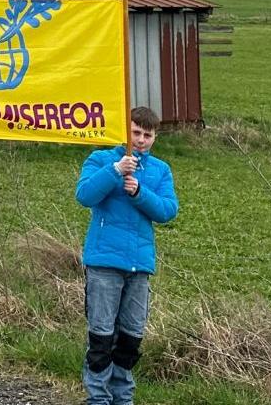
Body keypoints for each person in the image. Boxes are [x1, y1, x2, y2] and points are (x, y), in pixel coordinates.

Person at [75, 106, 179, 405]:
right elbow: (84, 195)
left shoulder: (160, 170)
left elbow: (167, 210)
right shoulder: (101, 159)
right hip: (104, 261)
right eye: (136, 133)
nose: (141, 140)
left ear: (155, 137)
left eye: (147, 135)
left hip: (139, 264)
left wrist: (139, 193)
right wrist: (116, 171)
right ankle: (98, 398)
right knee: (102, 337)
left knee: (130, 339)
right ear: (125, 131)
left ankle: (123, 398)